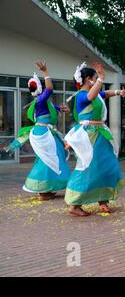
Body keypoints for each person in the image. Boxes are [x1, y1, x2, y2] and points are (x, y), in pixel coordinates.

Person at [64, 61, 125, 217]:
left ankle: (103, 200)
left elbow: (104, 94)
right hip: (89, 135)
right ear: (88, 79)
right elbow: (92, 95)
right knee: (88, 167)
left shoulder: (95, 93)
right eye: (94, 78)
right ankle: (75, 203)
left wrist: (118, 92)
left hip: (100, 134)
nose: (96, 80)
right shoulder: (81, 96)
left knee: (108, 165)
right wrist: (102, 77)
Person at [5, 62, 70, 201]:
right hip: (43, 133)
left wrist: (61, 108)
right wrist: (45, 71)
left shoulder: (42, 102)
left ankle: (47, 188)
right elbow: (50, 90)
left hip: (44, 132)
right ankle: (42, 190)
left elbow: (53, 108)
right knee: (49, 159)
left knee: (51, 158)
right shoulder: (40, 100)